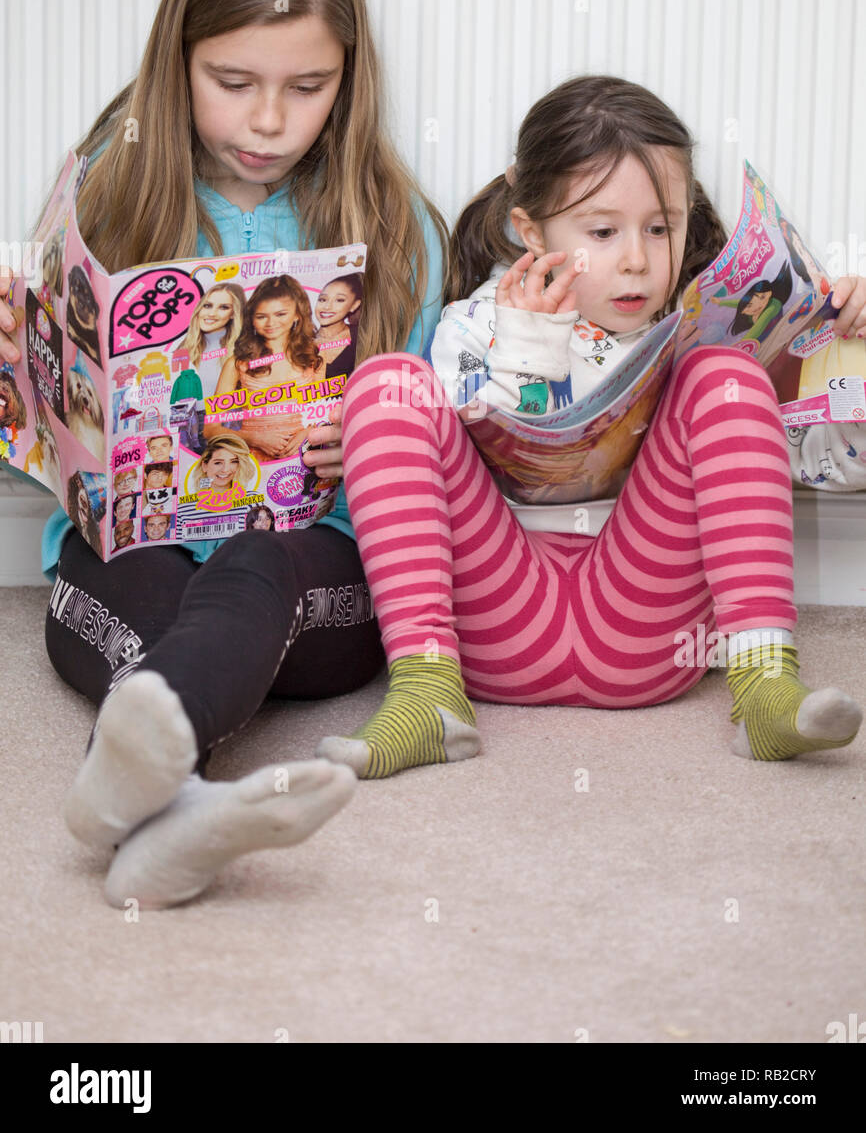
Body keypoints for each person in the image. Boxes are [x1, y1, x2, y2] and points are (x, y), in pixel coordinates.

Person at [0, 0, 447, 909]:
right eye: (232, 82)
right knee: (151, 588)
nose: (266, 120)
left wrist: (369, 432)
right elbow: (36, 438)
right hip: (132, 560)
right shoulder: (105, 195)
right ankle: (177, 816)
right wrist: (24, 381)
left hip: (309, 572)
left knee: (254, 565)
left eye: (307, 86)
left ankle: (143, 787)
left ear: (350, 77)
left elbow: (435, 440)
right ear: (177, 63)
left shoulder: (398, 225)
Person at [318, 75, 866, 779]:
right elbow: (428, 460)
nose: (636, 258)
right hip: (500, 624)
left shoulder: (699, 335)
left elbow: (833, 462)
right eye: (603, 232)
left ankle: (763, 685)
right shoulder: (476, 323)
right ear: (530, 231)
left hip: (646, 633)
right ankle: (426, 695)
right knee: (387, 381)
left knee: (725, 375)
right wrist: (526, 348)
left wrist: (837, 351)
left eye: (659, 227)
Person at [211, 274, 325, 461]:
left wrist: (307, 433)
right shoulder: (237, 364)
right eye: (262, 316)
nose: (271, 324)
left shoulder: (314, 359)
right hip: (253, 461)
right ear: (252, 320)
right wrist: (255, 438)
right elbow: (211, 430)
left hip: (302, 458)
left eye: (281, 314)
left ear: (297, 314)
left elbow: (320, 415)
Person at [170, 282, 246, 402]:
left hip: (226, 417)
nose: (211, 313)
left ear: (233, 313)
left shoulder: (242, 349)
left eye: (224, 307)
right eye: (207, 305)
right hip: (185, 417)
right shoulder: (183, 350)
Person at [314, 273, 362, 379]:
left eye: (339, 300)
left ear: (354, 305)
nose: (327, 307)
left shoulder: (362, 338)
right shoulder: (299, 342)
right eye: (323, 299)